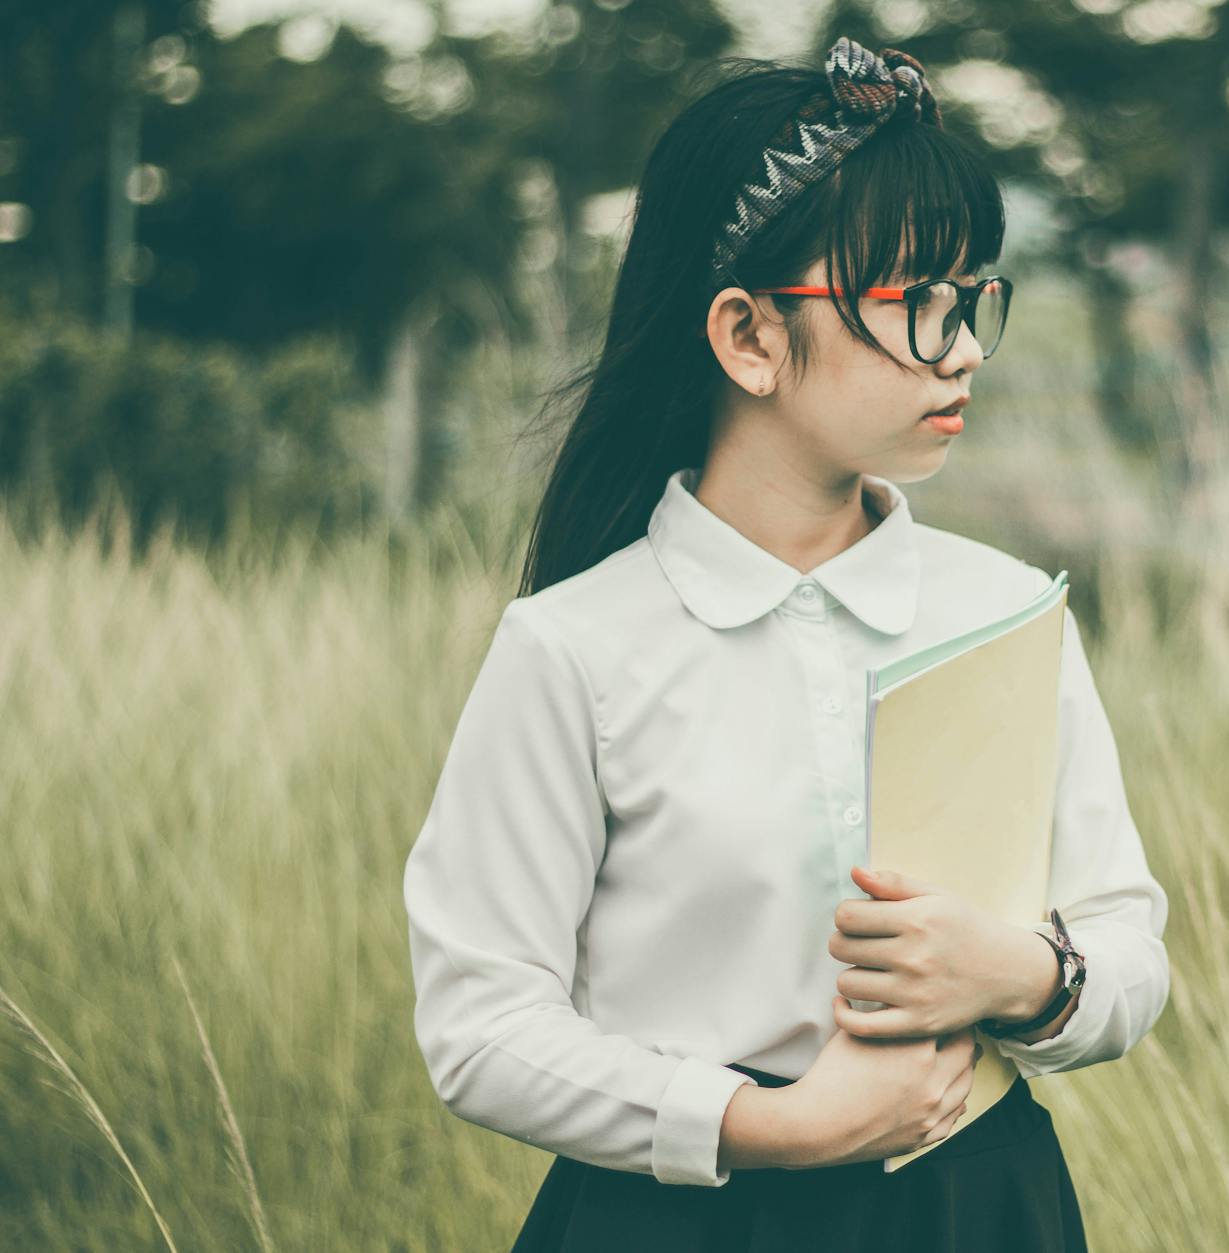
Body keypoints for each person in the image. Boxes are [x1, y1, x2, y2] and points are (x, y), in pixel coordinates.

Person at [401, 36, 1171, 1253]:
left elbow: (1129, 943)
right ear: (748, 336)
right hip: (676, 1220)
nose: (961, 345)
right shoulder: (573, 646)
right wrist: (774, 1126)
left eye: (970, 298)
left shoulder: (1009, 609)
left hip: (977, 1205)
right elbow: (479, 1025)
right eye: (913, 301)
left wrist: (1020, 975)